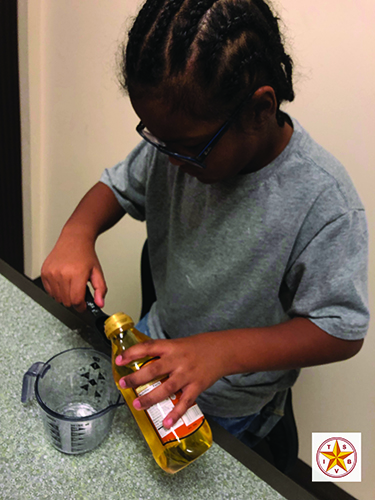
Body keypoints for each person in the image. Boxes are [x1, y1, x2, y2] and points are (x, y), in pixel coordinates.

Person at [41, 0, 369, 446]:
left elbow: (340, 329)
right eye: (157, 140)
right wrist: (76, 235)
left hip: (237, 409)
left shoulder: (323, 201)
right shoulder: (176, 148)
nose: (169, 158)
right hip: (155, 363)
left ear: (261, 108)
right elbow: (116, 188)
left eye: (188, 148)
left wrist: (220, 351)